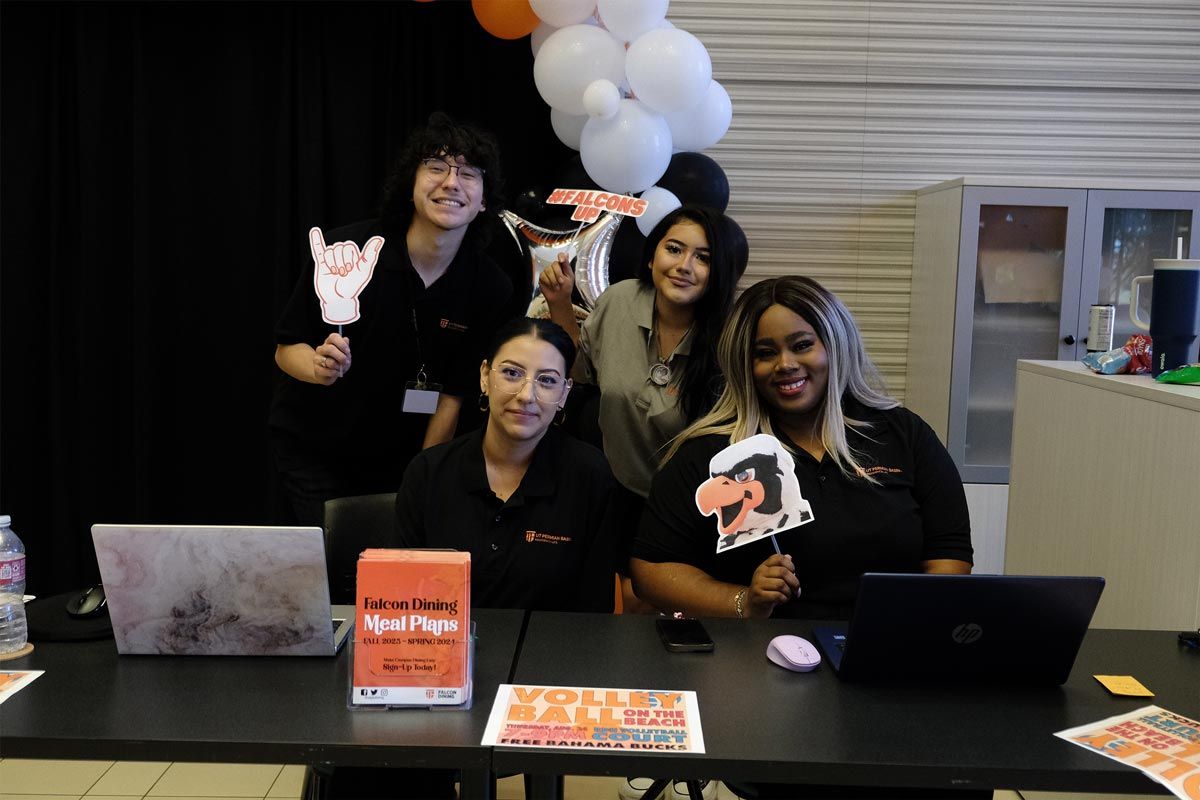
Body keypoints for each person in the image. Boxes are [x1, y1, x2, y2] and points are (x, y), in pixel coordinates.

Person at [631, 275, 973, 622]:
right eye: (765, 353)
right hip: (757, 657)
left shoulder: (903, 434)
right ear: (744, 365)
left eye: (802, 345)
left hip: (885, 651)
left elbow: (949, 552)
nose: (785, 364)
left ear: (834, 344)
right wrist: (744, 601)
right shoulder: (713, 453)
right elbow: (652, 570)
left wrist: (916, 624)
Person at [270, 112, 514, 526]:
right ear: (411, 184)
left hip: (403, 460)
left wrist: (420, 479)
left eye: (469, 174)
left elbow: (452, 397)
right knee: (327, 574)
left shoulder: (490, 286)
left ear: (484, 199)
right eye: (436, 167)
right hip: (316, 451)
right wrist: (317, 367)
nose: (451, 183)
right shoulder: (345, 252)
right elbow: (285, 348)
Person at [538, 205, 749, 611]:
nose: (684, 266)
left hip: (700, 507)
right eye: (674, 249)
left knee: (690, 614)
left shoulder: (732, 334)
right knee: (635, 611)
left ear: (722, 270)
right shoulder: (619, 300)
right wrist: (560, 304)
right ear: (653, 255)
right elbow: (581, 373)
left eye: (703, 258)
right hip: (623, 493)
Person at [395, 316, 621, 612]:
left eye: (547, 380)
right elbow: (402, 601)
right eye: (512, 373)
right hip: (443, 654)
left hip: (553, 654)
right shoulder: (428, 472)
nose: (526, 395)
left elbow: (594, 611)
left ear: (564, 393)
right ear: (485, 376)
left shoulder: (590, 475)